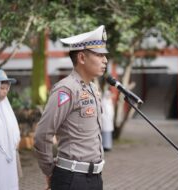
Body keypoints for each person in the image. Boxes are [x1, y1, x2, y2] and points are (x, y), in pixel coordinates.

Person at [34, 25, 108, 190]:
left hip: (95, 178)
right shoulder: (66, 90)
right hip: (72, 179)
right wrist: (50, 172)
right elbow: (42, 134)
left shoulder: (92, 89)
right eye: (99, 55)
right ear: (82, 57)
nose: (105, 60)